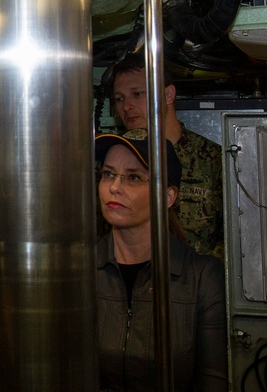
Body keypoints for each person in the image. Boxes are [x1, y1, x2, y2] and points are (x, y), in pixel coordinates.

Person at [95, 128, 227, 391]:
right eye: (108, 174)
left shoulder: (200, 278)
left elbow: (213, 380)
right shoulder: (80, 270)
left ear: (167, 197)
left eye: (133, 177)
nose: (114, 187)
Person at [110, 53, 224, 259]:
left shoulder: (212, 160)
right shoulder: (113, 161)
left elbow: (234, 240)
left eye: (137, 94)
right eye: (119, 99)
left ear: (168, 95)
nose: (126, 106)